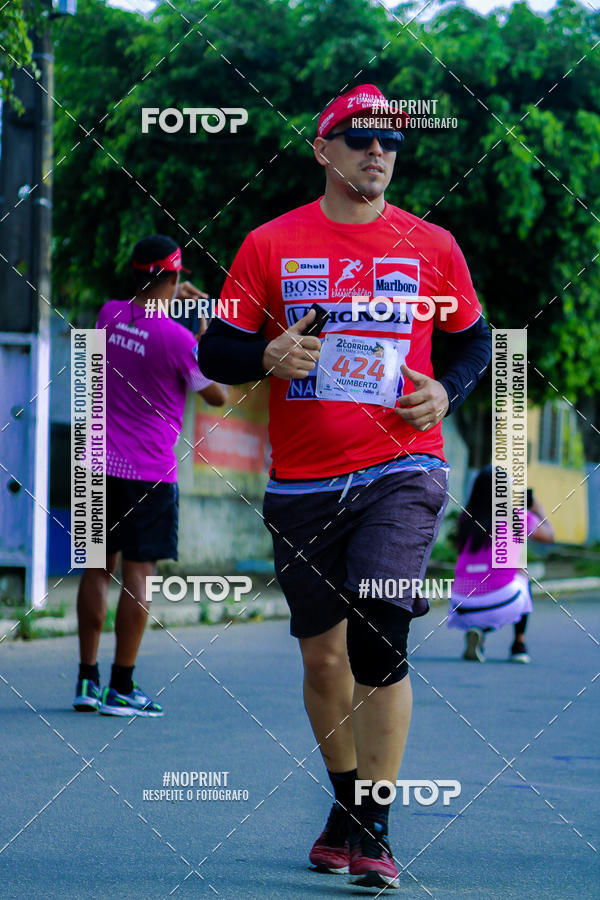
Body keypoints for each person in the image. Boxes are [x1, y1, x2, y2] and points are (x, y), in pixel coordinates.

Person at [198, 84, 491, 889]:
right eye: (359, 137)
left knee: (380, 631)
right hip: (302, 485)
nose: (378, 151)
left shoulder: (432, 246)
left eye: (390, 140)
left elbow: (474, 343)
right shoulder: (270, 244)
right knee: (324, 660)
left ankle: (377, 827)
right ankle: (345, 805)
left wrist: (448, 391)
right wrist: (264, 356)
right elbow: (218, 349)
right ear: (322, 150)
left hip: (404, 466)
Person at [73, 234, 226, 717]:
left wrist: (164, 295)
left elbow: (137, 314)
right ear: (177, 277)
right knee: (139, 575)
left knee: (97, 570)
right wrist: (203, 337)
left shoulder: (107, 315)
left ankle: (87, 680)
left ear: (136, 273)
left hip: (97, 464)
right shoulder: (181, 341)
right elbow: (217, 396)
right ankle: (121, 687)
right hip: (148, 474)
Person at [448, 466, 555, 663]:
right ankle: (518, 645)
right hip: (501, 599)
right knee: (521, 572)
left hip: (460, 603)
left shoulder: (464, 520)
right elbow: (549, 536)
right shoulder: (517, 517)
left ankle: (478, 631)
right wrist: (538, 508)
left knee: (486, 581)